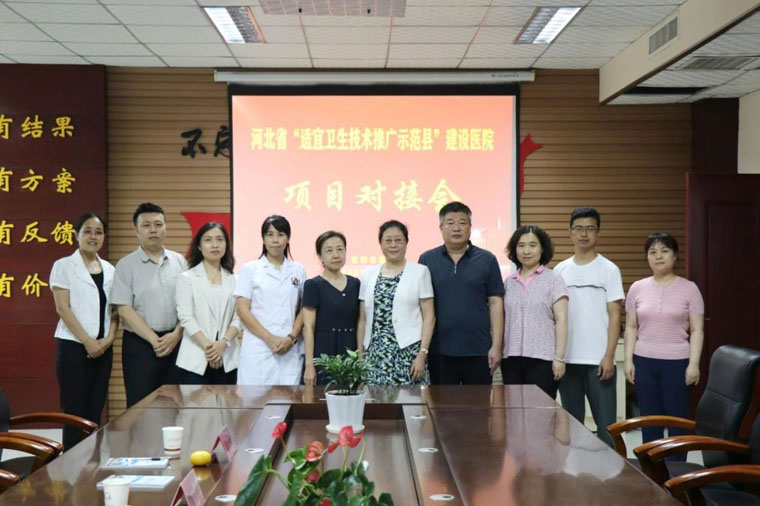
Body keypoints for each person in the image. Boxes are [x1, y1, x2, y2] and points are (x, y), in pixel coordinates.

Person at [624, 232, 704, 454]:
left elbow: (697, 330)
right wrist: (628, 360)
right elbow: (630, 327)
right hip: (644, 362)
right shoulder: (637, 287)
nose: (658, 256)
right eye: (652, 252)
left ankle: (677, 471)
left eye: (664, 251)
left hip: (678, 363)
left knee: (678, 421)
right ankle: (652, 470)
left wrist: (694, 364)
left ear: (675, 255)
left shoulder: (690, 289)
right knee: (649, 421)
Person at [555, 207, 623, 447]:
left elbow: (615, 316)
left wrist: (609, 356)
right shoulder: (560, 270)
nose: (584, 234)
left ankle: (611, 471)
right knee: (572, 428)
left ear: (598, 233)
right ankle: (575, 472)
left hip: (599, 361)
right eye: (579, 228)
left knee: (607, 429)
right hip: (568, 360)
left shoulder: (609, 269)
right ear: (570, 233)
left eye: (590, 229)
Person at [50, 212, 118, 450]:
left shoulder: (110, 269)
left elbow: (115, 311)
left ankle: (92, 462)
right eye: (87, 231)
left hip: (103, 349)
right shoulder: (63, 266)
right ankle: (70, 464)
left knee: (95, 410)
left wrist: (109, 339)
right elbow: (62, 308)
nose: (93, 237)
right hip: (74, 347)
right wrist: (88, 341)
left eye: (99, 232)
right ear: (76, 235)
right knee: (74, 410)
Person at [418, 202, 504, 385]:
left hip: (478, 349)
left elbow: (496, 303)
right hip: (439, 350)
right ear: (441, 227)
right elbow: (422, 307)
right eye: (450, 223)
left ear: (470, 227)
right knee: (442, 403)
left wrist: (496, 346)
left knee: (478, 403)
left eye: (462, 223)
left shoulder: (487, 259)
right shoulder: (427, 260)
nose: (456, 228)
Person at [111, 203, 186, 407]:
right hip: (140, 345)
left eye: (158, 224)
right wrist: (154, 340)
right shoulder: (126, 265)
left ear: (165, 228)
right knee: (140, 406)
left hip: (176, 343)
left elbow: (189, 305)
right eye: (146, 225)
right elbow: (124, 308)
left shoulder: (180, 262)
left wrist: (176, 334)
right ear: (136, 231)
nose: (153, 230)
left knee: (174, 406)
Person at [358, 221, 435, 385]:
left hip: (408, 352)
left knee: (411, 399)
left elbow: (429, 317)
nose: (393, 245)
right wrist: (360, 355)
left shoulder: (420, 272)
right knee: (375, 399)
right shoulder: (368, 273)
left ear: (406, 243)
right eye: (388, 240)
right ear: (380, 244)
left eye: (398, 240)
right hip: (375, 353)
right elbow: (363, 319)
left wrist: (422, 354)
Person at [234, 215, 306, 385]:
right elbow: (242, 310)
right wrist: (270, 338)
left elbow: (304, 309)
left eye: (280, 234)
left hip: (289, 347)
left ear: (288, 238)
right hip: (259, 347)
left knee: (288, 398)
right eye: (270, 235)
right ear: (263, 239)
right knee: (255, 398)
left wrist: (291, 338)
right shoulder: (250, 269)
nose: (275, 240)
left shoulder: (298, 270)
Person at [502, 225, 568, 398]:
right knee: (514, 409)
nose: (526, 251)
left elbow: (562, 321)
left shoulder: (553, 279)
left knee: (541, 410)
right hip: (511, 359)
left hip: (543, 359)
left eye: (532, 245)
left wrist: (559, 358)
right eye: (521, 245)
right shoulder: (509, 282)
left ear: (542, 248)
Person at [175, 222, 241, 385]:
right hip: (195, 358)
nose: (215, 245)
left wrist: (223, 343)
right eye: (208, 240)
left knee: (228, 402)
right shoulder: (187, 278)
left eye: (220, 239)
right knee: (194, 402)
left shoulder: (236, 279)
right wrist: (210, 349)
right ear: (199, 246)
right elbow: (186, 317)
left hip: (228, 357)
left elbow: (239, 317)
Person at [302, 231, 360, 386]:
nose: (336, 255)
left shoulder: (355, 284)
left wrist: (361, 359)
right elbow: (308, 327)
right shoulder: (313, 285)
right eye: (329, 250)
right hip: (323, 352)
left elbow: (360, 322)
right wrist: (309, 365)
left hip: (350, 351)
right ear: (320, 256)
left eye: (340, 249)